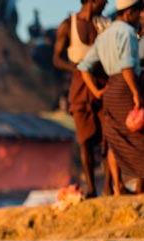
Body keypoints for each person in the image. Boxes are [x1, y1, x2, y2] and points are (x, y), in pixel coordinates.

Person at [79, 0, 144, 195]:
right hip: (125, 87)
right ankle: (141, 186)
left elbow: (83, 67)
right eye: (136, 14)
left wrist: (97, 91)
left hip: (110, 90)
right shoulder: (127, 33)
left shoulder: (104, 35)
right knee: (138, 135)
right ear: (129, 13)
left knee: (115, 138)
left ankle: (119, 186)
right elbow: (127, 68)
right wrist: (136, 93)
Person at [53, 0, 115, 198]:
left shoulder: (104, 24)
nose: (105, 5)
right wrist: (77, 68)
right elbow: (57, 58)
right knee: (85, 140)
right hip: (80, 87)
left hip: (103, 83)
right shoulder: (68, 25)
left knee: (108, 137)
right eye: (103, 2)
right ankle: (91, 188)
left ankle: (108, 187)